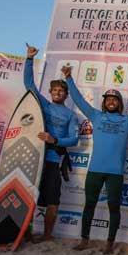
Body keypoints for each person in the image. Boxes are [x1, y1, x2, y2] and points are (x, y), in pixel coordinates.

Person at [62, 66, 128, 254]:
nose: (111, 102)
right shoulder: (96, 116)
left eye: (114, 99)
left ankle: (110, 243)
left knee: (114, 208)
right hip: (95, 170)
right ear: (104, 103)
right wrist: (69, 78)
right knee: (89, 205)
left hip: (115, 172)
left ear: (119, 104)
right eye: (108, 99)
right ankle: (84, 239)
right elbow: (79, 100)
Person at [24, 45, 79, 242]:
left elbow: (74, 139)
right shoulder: (44, 104)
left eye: (61, 91)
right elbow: (29, 85)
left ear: (66, 95)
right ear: (50, 92)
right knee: (28, 196)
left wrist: (55, 140)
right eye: (54, 90)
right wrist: (29, 59)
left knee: (53, 201)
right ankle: (26, 232)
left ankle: (47, 235)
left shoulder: (71, 115)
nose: (57, 93)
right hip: (35, 158)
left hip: (54, 161)